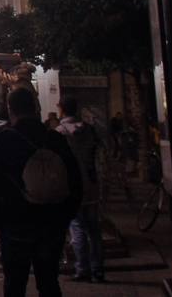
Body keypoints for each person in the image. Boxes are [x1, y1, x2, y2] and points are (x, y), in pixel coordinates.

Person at [0, 87, 83, 297]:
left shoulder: (4, 139)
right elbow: (74, 179)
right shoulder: (54, 138)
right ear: (36, 107)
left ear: (10, 109)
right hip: (51, 222)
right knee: (48, 283)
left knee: (14, 285)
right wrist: (64, 217)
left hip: (15, 223)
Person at [56, 96, 104, 282]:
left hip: (72, 183)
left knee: (76, 227)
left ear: (61, 109)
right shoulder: (89, 129)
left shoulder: (60, 132)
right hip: (91, 182)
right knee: (94, 229)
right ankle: (98, 268)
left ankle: (82, 268)